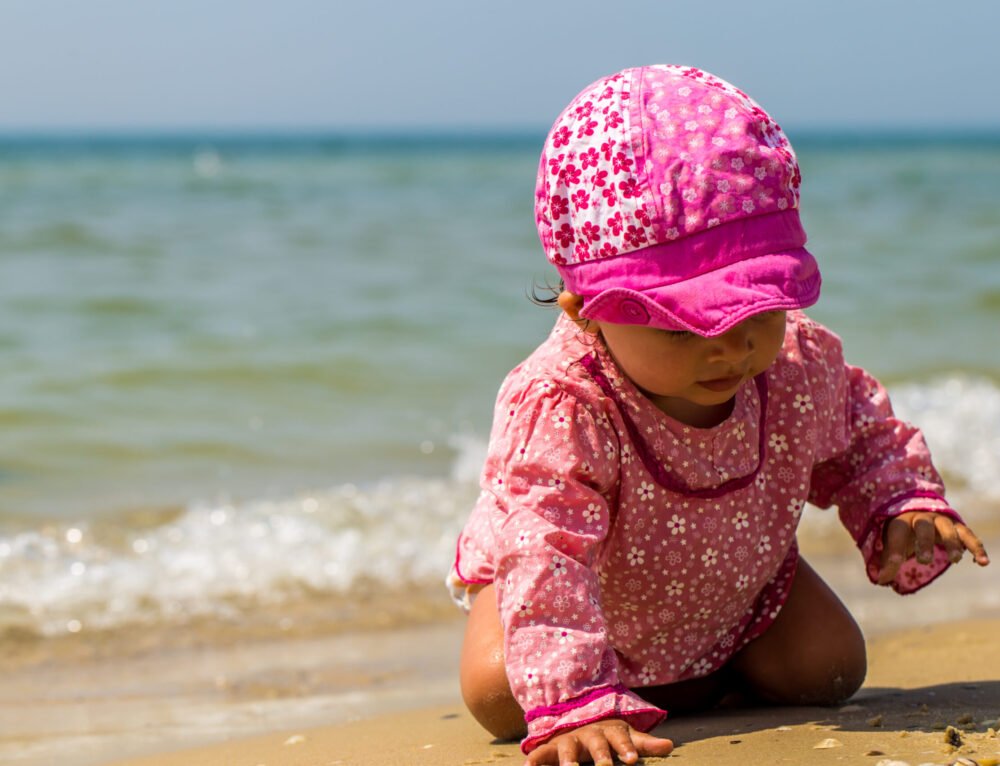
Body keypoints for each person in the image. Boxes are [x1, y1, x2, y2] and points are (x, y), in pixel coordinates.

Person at [446, 65, 990, 766]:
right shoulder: (566, 403)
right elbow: (545, 548)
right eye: (682, 325)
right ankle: (615, 682)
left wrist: (898, 502)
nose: (729, 346)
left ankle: (705, 671)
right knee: (500, 693)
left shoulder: (791, 365)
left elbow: (859, 432)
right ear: (585, 309)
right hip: (586, 601)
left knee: (830, 669)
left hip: (737, 587)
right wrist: (572, 699)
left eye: (754, 309)